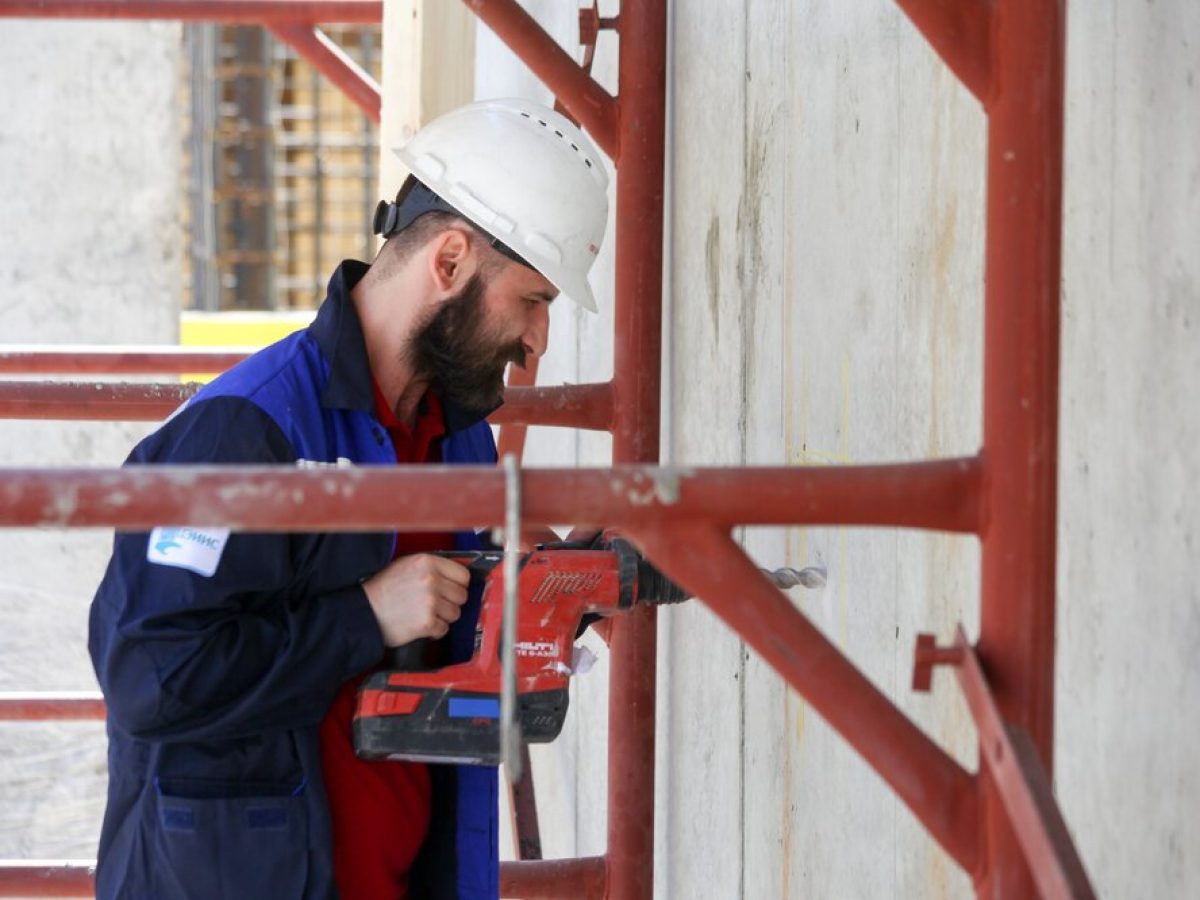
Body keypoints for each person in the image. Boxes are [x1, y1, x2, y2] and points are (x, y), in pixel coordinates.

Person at [87, 97, 609, 900]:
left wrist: (541, 594)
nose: (538, 339)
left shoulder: (455, 436)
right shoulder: (248, 430)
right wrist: (365, 614)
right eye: (533, 301)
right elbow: (152, 675)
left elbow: (438, 637)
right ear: (450, 260)